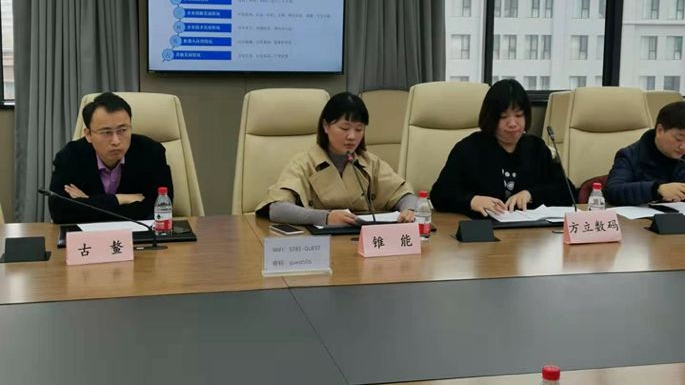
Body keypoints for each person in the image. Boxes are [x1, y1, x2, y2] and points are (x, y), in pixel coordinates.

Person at [256, 92, 417, 225]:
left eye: (359, 129)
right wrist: (325, 217)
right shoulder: (304, 163)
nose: (352, 136)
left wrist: (408, 210)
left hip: (360, 240)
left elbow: (405, 194)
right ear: (326, 126)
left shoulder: (369, 162)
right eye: (344, 128)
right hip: (318, 243)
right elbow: (278, 209)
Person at [430, 79, 574, 217]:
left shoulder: (536, 148)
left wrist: (530, 194)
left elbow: (568, 191)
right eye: (504, 117)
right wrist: (471, 201)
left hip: (528, 231)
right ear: (491, 118)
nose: (512, 123)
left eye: (519, 115)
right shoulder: (469, 149)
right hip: (482, 228)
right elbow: (439, 195)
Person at [48, 92, 174, 224]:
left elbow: (159, 208)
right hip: (87, 235)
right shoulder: (70, 156)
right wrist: (119, 199)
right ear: (89, 134)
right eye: (106, 132)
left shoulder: (151, 152)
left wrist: (88, 202)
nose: (116, 141)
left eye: (122, 130)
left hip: (138, 234)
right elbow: (59, 212)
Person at [606, 101, 685, 206]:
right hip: (643, 215)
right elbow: (613, 191)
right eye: (679, 139)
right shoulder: (629, 155)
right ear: (660, 130)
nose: (683, 147)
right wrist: (657, 190)